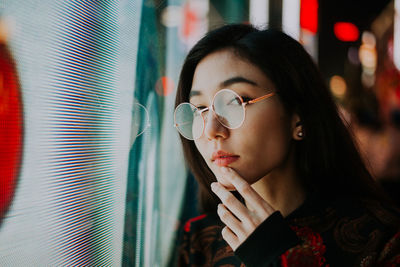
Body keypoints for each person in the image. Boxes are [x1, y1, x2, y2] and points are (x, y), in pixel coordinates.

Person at [173, 24, 400, 266]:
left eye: (236, 102)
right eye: (199, 110)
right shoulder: (200, 239)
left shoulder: (379, 236)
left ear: (297, 115)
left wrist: (274, 255)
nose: (211, 131)